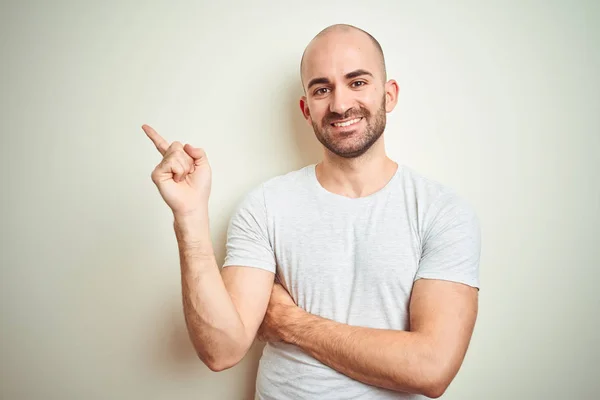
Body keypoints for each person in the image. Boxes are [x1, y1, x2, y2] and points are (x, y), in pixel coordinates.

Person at [142, 23, 481, 400]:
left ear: (389, 94)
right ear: (306, 109)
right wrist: (189, 218)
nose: (339, 105)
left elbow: (431, 369)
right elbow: (221, 351)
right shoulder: (266, 205)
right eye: (322, 89)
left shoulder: (442, 211)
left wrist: (291, 322)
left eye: (357, 82)